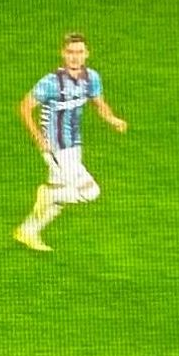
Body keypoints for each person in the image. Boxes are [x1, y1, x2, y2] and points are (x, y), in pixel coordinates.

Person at [14, 32, 129, 252]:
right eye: (70, 52)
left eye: (79, 52)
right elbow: (25, 107)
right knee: (90, 191)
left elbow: (99, 103)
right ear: (63, 53)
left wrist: (113, 119)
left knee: (60, 195)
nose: (75, 57)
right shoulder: (51, 82)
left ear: (87, 54)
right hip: (55, 146)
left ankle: (28, 231)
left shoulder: (91, 78)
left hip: (74, 144)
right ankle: (48, 196)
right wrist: (38, 138)